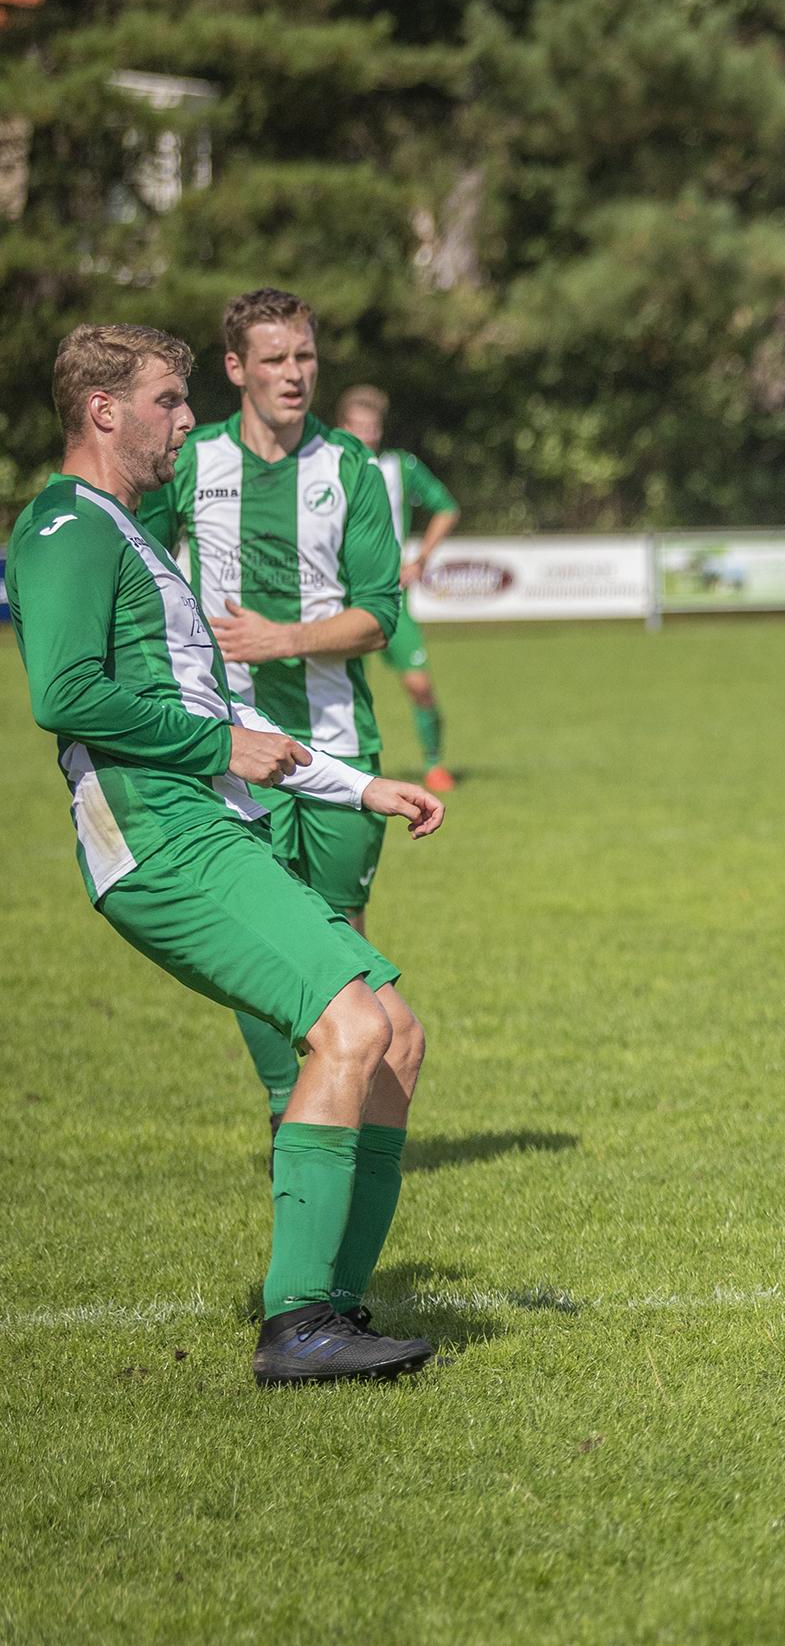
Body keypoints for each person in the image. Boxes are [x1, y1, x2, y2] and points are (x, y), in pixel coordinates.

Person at [9, 323, 446, 1383]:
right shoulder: (66, 523)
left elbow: (224, 723)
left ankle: (336, 1302)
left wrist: (355, 784)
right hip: (160, 835)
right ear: (103, 410)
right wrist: (224, 744)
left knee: (393, 1033)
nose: (181, 421)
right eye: (165, 400)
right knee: (347, 1020)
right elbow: (63, 696)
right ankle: (297, 1324)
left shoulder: (126, 527)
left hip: (212, 820)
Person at [139, 289, 404, 1132]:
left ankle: (342, 1118)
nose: (295, 375)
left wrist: (282, 638)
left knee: (343, 953)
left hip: (336, 742)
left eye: (306, 358)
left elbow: (379, 614)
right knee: (259, 949)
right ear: (235, 368)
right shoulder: (188, 462)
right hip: (232, 747)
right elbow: (133, 558)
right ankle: (290, 1110)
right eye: (276, 359)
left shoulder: (349, 469)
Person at [334, 384, 460, 795]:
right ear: (342, 428)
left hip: (390, 595)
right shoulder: (323, 468)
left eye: (373, 428)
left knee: (419, 685)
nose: (367, 436)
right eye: (358, 428)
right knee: (341, 693)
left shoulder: (399, 468)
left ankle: (434, 763)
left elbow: (446, 507)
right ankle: (340, 774)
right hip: (338, 599)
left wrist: (419, 561)